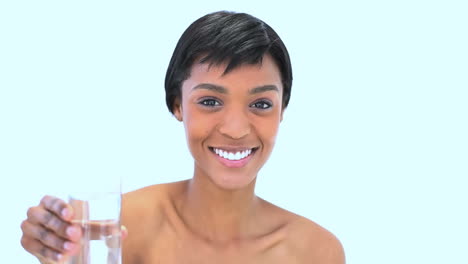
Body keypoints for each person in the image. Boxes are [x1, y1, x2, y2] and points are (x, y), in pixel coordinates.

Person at [20, 11, 345, 263]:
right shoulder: (118, 227)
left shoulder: (316, 252)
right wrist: (55, 251)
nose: (235, 129)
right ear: (177, 104)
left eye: (261, 104)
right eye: (210, 101)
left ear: (282, 109)